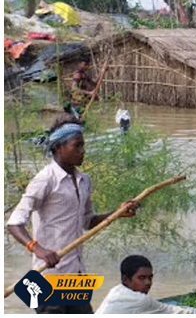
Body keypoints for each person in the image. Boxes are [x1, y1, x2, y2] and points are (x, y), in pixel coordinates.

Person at [7, 113, 139, 314]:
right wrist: (38, 249)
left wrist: (117, 213)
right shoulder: (45, 180)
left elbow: (88, 222)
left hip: (76, 276)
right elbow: (14, 223)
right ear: (58, 147)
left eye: (83, 145)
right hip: (47, 278)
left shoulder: (83, 181)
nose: (83, 151)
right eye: (77, 146)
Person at [95, 255, 196, 314]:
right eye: (141, 278)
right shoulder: (140, 301)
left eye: (150, 278)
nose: (148, 283)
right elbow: (184, 313)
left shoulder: (115, 291)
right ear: (126, 279)